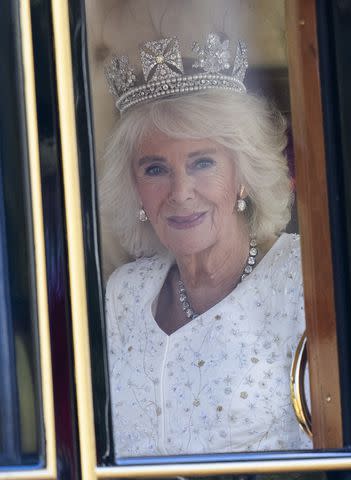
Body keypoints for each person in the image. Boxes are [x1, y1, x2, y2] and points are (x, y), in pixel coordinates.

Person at [100, 33, 311, 458]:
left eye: (202, 162)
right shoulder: (124, 293)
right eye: (155, 168)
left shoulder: (302, 276)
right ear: (135, 189)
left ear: (243, 175)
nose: (180, 192)